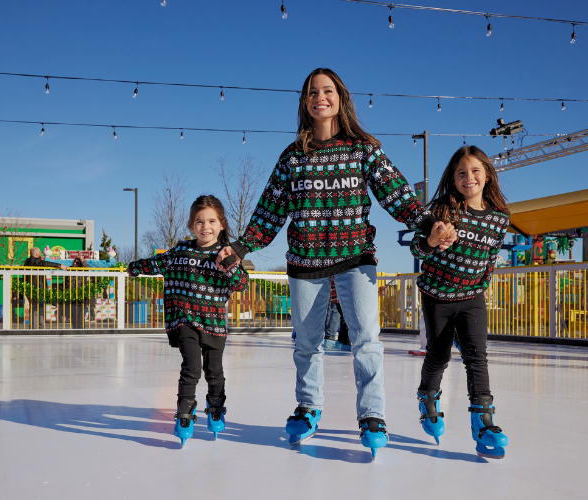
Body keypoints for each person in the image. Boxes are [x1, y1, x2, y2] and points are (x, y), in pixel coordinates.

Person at [216, 68, 435, 458]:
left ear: (340, 98)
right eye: (313, 92)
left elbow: (396, 192)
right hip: (306, 260)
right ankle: (309, 407)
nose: (321, 97)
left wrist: (428, 223)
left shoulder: (361, 147)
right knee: (307, 344)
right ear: (305, 102)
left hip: (355, 257)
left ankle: (372, 415)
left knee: (366, 340)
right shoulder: (293, 156)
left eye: (328, 90)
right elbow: (271, 209)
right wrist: (242, 246)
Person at [410, 145, 510, 459]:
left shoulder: (499, 217)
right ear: (453, 178)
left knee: (476, 357)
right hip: (437, 296)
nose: (469, 178)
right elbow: (417, 248)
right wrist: (432, 239)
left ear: (487, 175)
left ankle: (484, 422)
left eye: (475, 171)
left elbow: (491, 258)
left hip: (472, 298)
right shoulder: (442, 210)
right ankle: (427, 397)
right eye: (461, 173)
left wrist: (481, 285)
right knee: (438, 356)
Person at [128, 195, 249, 446]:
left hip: (213, 322)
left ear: (222, 224)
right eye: (199, 222)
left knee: (214, 371)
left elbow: (241, 283)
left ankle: (215, 407)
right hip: (185, 319)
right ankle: (185, 413)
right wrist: (136, 267)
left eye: (212, 221)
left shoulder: (225, 253)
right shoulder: (181, 251)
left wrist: (230, 265)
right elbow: (158, 262)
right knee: (191, 368)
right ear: (191, 225)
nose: (206, 227)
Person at [23, 247, 67, 329]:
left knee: (39, 307)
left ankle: (39, 327)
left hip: (35, 288)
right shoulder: (33, 261)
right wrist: (59, 265)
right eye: (40, 253)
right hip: (36, 288)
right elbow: (44, 263)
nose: (41, 254)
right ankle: (36, 328)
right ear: (36, 254)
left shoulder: (28, 261)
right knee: (36, 308)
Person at [65, 257, 90, 329]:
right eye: (74, 262)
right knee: (73, 315)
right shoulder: (69, 270)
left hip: (80, 296)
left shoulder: (83, 271)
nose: (75, 263)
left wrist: (82, 258)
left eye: (77, 263)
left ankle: (81, 330)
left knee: (80, 315)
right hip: (71, 295)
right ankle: (75, 330)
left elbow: (86, 267)